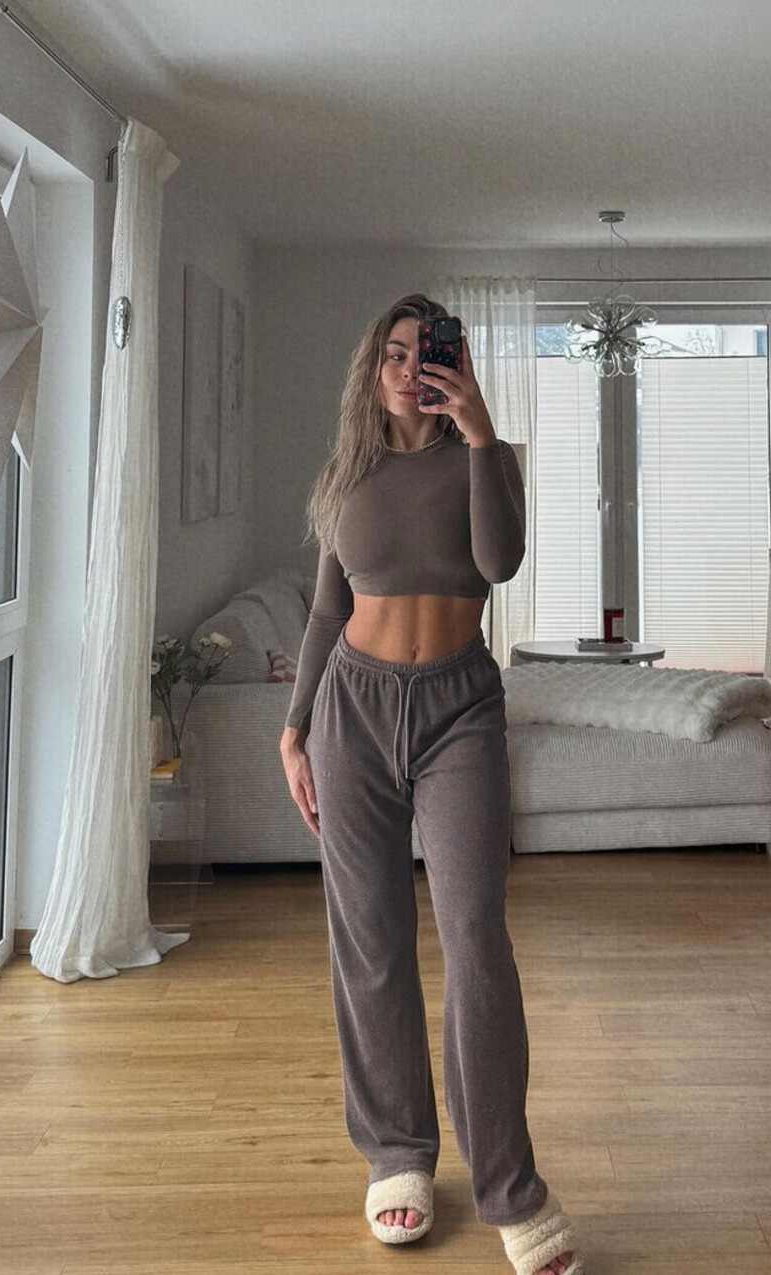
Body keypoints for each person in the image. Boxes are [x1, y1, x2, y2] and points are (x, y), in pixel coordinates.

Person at [279, 294, 585, 1275]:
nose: (413, 369)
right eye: (397, 354)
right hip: (353, 712)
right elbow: (326, 612)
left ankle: (510, 1187)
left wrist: (482, 430)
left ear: (458, 362)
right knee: (370, 942)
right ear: (373, 372)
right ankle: (397, 1154)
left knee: (477, 940)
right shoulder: (347, 476)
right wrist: (295, 727)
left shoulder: (484, 459)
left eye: (431, 352)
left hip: (460, 709)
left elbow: (499, 561)